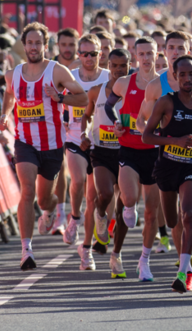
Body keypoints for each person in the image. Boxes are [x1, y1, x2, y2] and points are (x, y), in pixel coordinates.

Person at [0, 23, 87, 271]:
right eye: (30, 43)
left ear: (45, 46)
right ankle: (27, 250)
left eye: (38, 43)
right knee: (27, 190)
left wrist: (60, 97)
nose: (34, 47)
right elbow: (9, 96)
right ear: (24, 45)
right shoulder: (13, 74)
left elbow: (83, 97)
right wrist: (5, 115)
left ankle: (50, 210)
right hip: (24, 141)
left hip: (52, 144)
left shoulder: (56, 71)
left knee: (45, 199)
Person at [142, 55, 192, 293]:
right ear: (175, 76)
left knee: (189, 215)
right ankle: (185, 267)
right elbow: (147, 136)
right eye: (182, 74)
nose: (187, 78)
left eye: (191, 74)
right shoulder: (166, 101)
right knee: (173, 220)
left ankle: (183, 273)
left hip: (191, 166)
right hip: (167, 167)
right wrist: (175, 140)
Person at [103, 37, 161, 280]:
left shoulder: (165, 83)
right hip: (129, 148)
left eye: (150, 53)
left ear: (157, 55)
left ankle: (144, 260)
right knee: (129, 199)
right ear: (135, 55)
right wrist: (116, 121)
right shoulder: (125, 83)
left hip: (156, 152)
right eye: (142, 54)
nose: (146, 58)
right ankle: (126, 210)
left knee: (151, 211)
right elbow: (109, 105)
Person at [82, 48, 130, 267]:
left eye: (123, 65)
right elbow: (86, 115)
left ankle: (116, 253)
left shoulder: (136, 91)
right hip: (101, 151)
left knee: (125, 207)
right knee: (105, 193)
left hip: (128, 151)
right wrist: (83, 133)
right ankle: (100, 215)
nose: (119, 70)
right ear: (107, 66)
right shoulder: (96, 91)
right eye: (115, 66)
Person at [63, 34, 109, 253]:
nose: (89, 58)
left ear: (101, 54)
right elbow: (56, 100)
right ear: (78, 55)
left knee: (93, 197)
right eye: (84, 53)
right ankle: (74, 217)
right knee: (78, 179)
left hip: (101, 144)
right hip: (74, 137)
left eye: (93, 53)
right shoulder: (69, 77)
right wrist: (63, 119)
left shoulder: (110, 78)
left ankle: (86, 250)